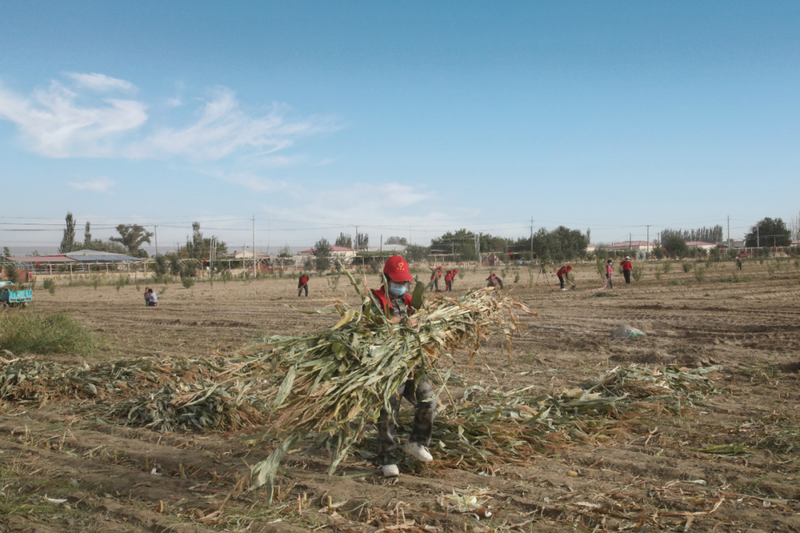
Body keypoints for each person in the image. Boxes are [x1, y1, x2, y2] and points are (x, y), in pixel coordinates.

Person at [371, 255, 437, 477]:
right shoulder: (375, 300)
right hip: (388, 365)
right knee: (390, 409)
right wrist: (401, 322)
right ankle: (386, 459)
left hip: (411, 364)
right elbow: (373, 322)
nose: (401, 286)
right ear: (386, 279)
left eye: (404, 282)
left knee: (428, 399)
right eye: (397, 282)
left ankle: (416, 442)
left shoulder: (410, 301)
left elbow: (421, 320)